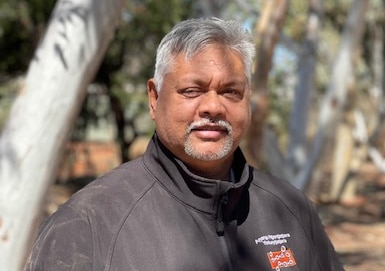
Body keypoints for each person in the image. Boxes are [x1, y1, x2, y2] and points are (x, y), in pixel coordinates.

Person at [25, 17, 344, 271]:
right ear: (154, 98)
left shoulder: (291, 209)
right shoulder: (87, 225)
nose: (213, 107)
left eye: (231, 91)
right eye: (192, 91)